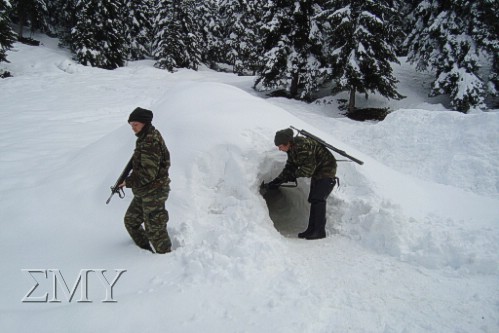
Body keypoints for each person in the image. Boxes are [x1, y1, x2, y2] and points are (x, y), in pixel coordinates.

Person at [119, 107, 172, 253]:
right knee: (131, 221)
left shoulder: (150, 142)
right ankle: (145, 253)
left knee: (155, 228)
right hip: (145, 191)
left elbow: (148, 174)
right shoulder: (144, 137)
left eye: (135, 125)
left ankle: (166, 259)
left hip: (155, 192)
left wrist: (128, 182)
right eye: (131, 125)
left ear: (144, 123)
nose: (133, 128)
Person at [268, 128, 337, 240]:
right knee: (313, 199)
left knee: (318, 199)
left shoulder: (302, 147)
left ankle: (319, 231)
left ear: (287, 143)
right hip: (317, 171)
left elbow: (307, 169)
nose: (279, 149)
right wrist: (278, 180)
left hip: (326, 169)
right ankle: (311, 229)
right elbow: (290, 167)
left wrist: (292, 176)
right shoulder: (291, 149)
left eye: (280, 146)